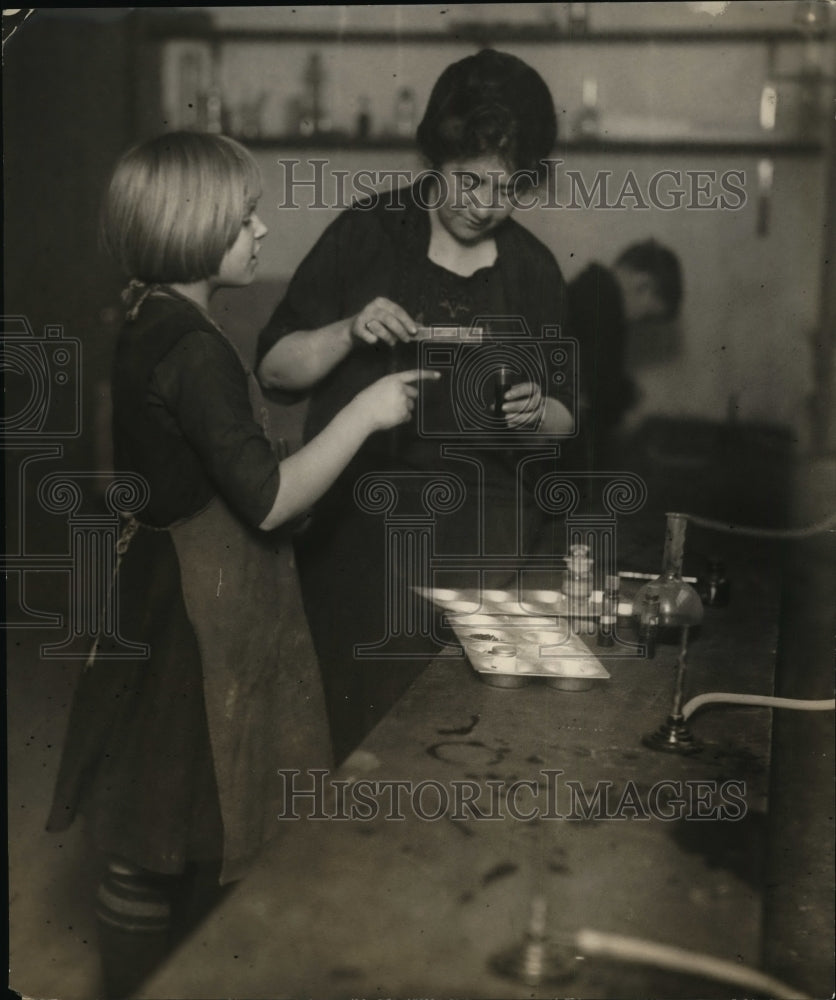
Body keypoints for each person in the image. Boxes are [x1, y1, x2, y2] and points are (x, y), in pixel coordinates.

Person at [45, 131, 435, 997]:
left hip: (157, 596)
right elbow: (268, 499)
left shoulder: (151, 314)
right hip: (194, 620)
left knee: (156, 826)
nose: (262, 230)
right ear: (195, 231)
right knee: (172, 827)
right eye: (245, 217)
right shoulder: (195, 350)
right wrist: (368, 412)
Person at [257, 50, 574, 762]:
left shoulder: (533, 273)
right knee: (350, 745)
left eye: (510, 188)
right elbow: (276, 370)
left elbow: (568, 417)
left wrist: (536, 408)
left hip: (484, 550)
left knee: (462, 749)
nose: (484, 204)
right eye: (467, 180)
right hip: (359, 545)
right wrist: (346, 329)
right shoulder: (367, 235)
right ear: (435, 158)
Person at [567, 238, 683, 469]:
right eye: (647, 316)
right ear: (643, 285)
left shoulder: (588, 290)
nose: (638, 323)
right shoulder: (604, 307)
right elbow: (599, 395)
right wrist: (625, 402)